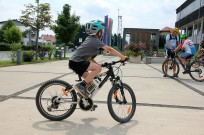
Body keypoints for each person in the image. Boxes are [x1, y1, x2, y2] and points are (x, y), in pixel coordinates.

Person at [69, 20, 127, 99]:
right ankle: (81, 85)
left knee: (90, 81)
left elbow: (90, 57)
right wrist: (122, 57)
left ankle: (85, 101)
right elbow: (109, 49)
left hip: (74, 62)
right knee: (98, 69)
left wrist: (96, 63)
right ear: (98, 32)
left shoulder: (89, 39)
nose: (102, 33)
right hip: (77, 62)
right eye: (101, 31)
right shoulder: (95, 41)